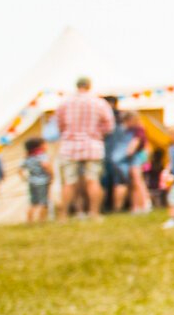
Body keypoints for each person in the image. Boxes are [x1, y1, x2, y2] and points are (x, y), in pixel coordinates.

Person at [55, 76, 112, 219]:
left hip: (69, 146)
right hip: (93, 145)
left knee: (69, 181)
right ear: (89, 86)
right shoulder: (99, 103)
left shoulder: (64, 103)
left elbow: (59, 125)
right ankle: (94, 213)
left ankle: (63, 215)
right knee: (93, 180)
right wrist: (98, 134)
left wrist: (69, 134)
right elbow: (109, 126)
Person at [22, 138, 53, 223]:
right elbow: (47, 166)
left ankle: (29, 222)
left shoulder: (27, 157)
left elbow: (20, 169)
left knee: (32, 203)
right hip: (43, 181)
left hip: (31, 181)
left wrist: (24, 179)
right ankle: (42, 221)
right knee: (42, 203)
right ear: (39, 146)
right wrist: (51, 176)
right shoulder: (42, 156)